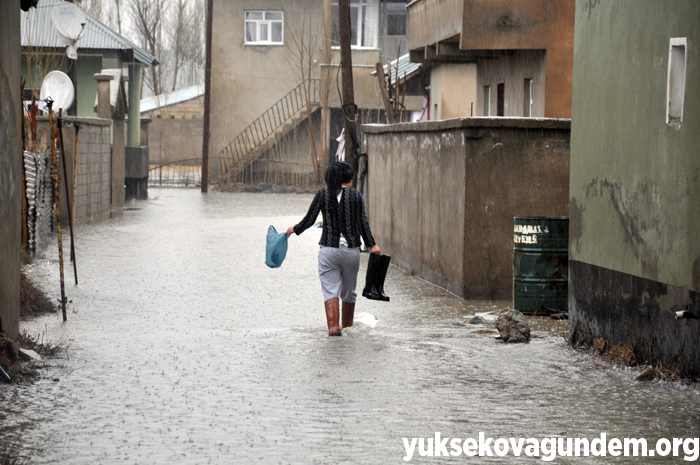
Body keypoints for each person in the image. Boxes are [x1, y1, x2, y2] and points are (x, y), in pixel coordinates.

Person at [286, 161, 381, 336]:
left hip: (328, 251)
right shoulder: (355, 196)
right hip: (351, 252)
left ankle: (333, 329)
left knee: (330, 289)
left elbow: (309, 220)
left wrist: (294, 229)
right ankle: (347, 329)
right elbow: (363, 223)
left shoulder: (322, 194)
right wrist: (372, 245)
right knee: (349, 292)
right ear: (347, 178)